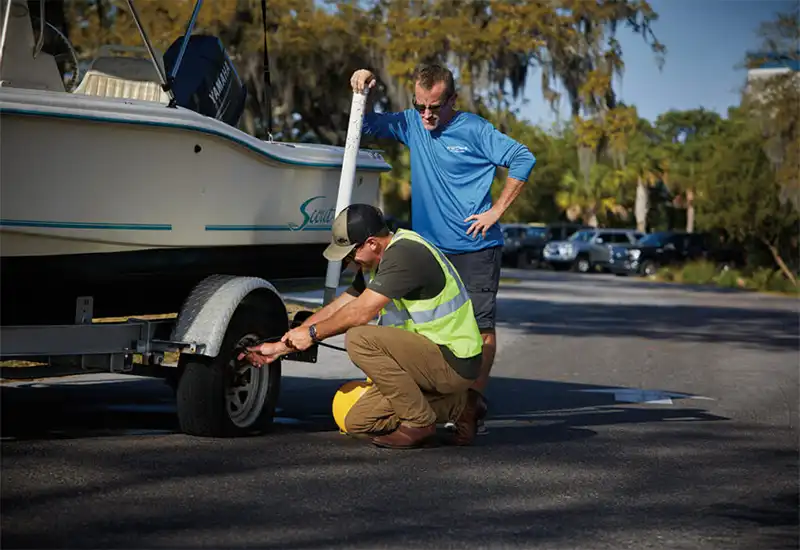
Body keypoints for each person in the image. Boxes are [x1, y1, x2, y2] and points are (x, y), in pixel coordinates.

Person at [349, 63, 537, 426]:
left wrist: (496, 211)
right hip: (429, 251)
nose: (426, 114)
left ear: (452, 99)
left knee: (480, 330)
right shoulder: (410, 123)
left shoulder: (475, 129)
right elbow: (364, 124)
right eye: (420, 105)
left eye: (435, 106)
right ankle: (438, 397)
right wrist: (361, 88)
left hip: (475, 248)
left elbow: (522, 158)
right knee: (425, 327)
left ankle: (470, 407)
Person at [240, 203, 487, 449]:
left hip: (452, 359)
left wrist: (313, 335)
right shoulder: (375, 264)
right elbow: (339, 307)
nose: (349, 261)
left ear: (371, 243)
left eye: (350, 253)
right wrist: (282, 346)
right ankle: (461, 406)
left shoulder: (405, 255)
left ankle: (418, 422)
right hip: (421, 360)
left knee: (359, 338)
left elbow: (360, 313)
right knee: (357, 421)